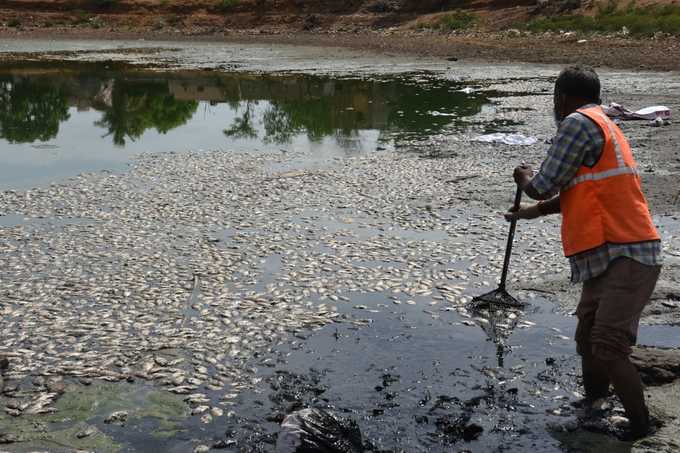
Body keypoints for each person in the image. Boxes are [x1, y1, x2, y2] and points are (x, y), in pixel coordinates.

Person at [506, 65, 662, 440]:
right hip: (606, 254)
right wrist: (530, 214)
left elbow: (542, 185)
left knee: (608, 347)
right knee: (587, 336)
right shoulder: (603, 121)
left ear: (561, 97)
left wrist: (523, 178)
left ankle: (640, 430)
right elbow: (582, 191)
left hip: (626, 253)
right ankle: (594, 405)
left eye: (555, 98)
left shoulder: (576, 123)